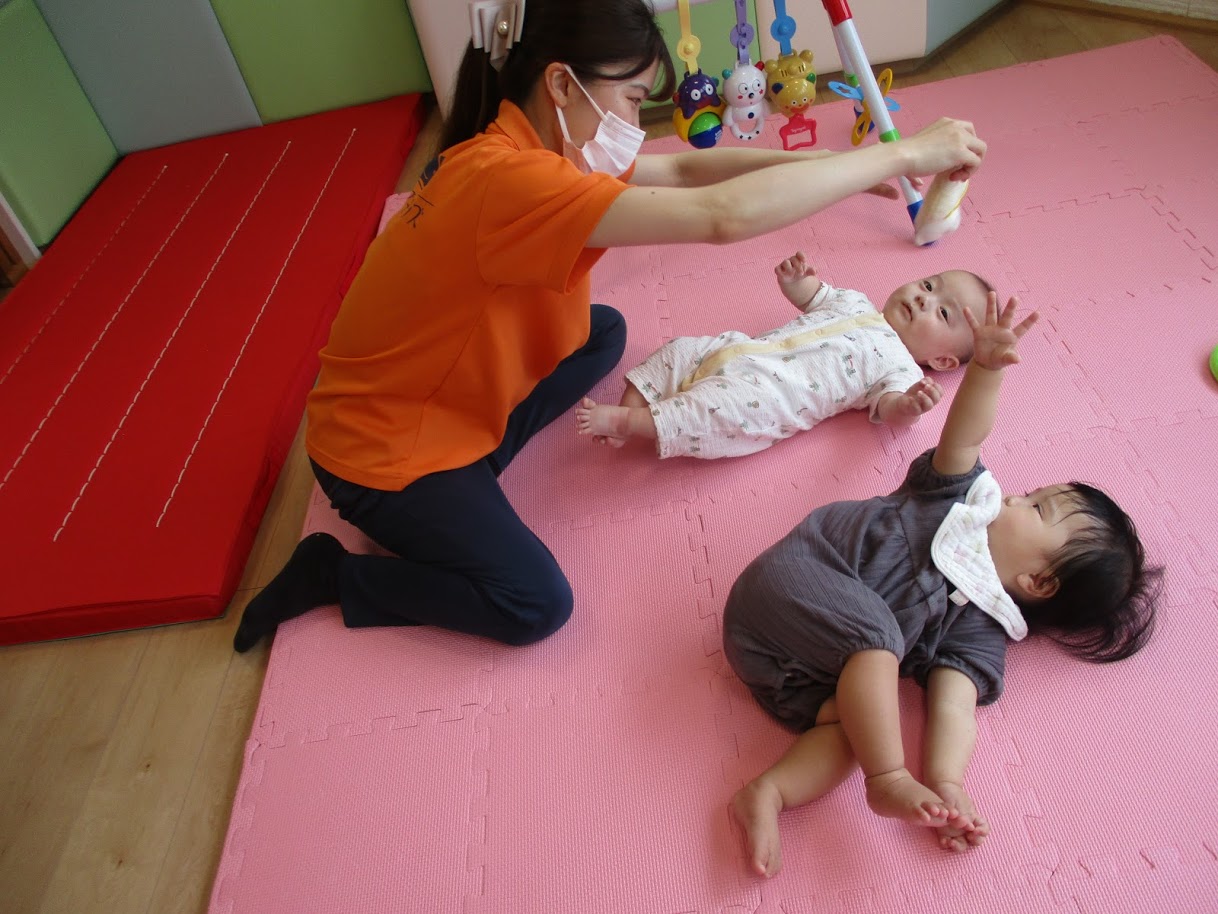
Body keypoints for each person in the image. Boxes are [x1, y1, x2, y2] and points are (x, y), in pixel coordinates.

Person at [233, 0, 989, 654]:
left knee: (601, 333)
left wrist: (832, 163)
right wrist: (901, 152)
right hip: (378, 454)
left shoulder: (529, 144)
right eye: (631, 99)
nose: (635, 122)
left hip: (428, 396)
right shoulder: (513, 183)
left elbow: (687, 172)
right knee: (535, 605)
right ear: (562, 83)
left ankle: (467, 487)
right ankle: (338, 573)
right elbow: (719, 217)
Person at [723, 294, 1161, 876]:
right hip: (791, 583)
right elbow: (966, 437)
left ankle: (770, 793)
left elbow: (955, 709)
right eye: (1032, 492)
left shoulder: (981, 628)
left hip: (783, 668)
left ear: (1038, 581)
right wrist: (985, 370)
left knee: (854, 729)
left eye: (1037, 508)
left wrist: (949, 783)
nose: (1015, 496)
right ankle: (887, 779)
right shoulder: (958, 504)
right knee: (878, 641)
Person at [575, 251, 993, 458]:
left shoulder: (901, 369)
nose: (923, 299)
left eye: (942, 313)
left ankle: (628, 423)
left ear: (942, 361)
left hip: (767, 400)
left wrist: (910, 406)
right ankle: (633, 406)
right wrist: (796, 282)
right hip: (738, 349)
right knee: (680, 350)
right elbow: (813, 297)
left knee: (710, 410)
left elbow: (892, 411)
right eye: (929, 285)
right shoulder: (856, 300)